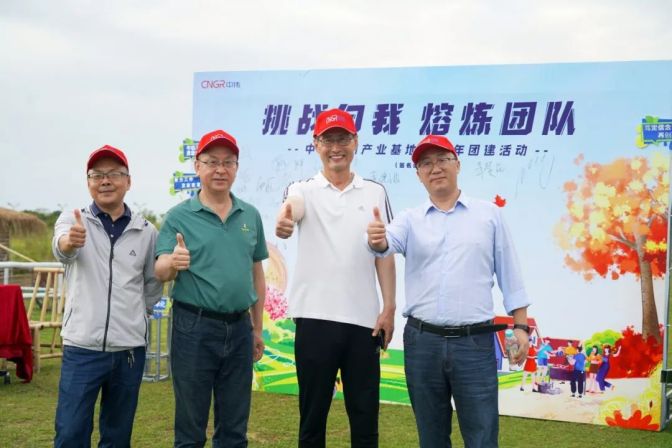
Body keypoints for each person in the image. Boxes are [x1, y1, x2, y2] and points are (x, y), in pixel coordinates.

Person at [366, 134, 530, 448]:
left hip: (474, 344)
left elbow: (511, 274)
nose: (435, 168)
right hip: (423, 343)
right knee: (431, 438)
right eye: (426, 163)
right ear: (418, 174)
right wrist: (376, 238)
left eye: (442, 159)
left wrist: (521, 326)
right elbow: (385, 243)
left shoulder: (489, 215)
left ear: (458, 164)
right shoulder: (409, 220)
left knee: (482, 437)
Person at [275, 108, 396, 448]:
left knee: (365, 421)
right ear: (316, 144)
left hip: (363, 323)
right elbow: (292, 208)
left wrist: (389, 307)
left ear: (355, 142)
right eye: (328, 140)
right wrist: (285, 220)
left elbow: (384, 252)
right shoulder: (302, 188)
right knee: (312, 421)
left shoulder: (374, 192)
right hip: (314, 319)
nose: (336, 148)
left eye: (343, 139)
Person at [155, 129, 268, 447]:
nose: (220, 169)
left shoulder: (250, 215)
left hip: (240, 327)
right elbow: (159, 269)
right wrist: (173, 261)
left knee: (234, 427)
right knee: (191, 426)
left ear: (236, 167)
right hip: (194, 327)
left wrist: (257, 328)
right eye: (212, 162)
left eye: (228, 162)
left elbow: (257, 273)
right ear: (197, 166)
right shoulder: (179, 216)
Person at [52, 145, 163, 447]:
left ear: (128, 181)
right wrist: (69, 242)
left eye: (114, 173)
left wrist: (136, 314)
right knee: (70, 433)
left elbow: (152, 284)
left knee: (117, 436)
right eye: (97, 175)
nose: (105, 181)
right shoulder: (73, 219)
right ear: (88, 182)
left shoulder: (146, 231)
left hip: (129, 350)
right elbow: (61, 248)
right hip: (82, 347)